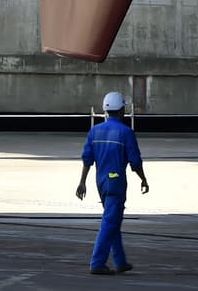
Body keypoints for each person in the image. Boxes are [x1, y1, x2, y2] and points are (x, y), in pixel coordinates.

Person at [76, 91, 149, 275]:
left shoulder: (94, 131)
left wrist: (82, 182)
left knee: (112, 219)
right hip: (116, 182)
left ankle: (120, 261)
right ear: (122, 110)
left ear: (105, 110)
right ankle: (97, 262)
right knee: (110, 221)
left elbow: (87, 159)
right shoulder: (126, 132)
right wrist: (143, 179)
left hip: (100, 182)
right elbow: (135, 162)